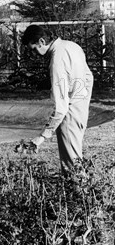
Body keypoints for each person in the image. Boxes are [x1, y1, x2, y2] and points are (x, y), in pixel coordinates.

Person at [21, 24, 93, 171]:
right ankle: (85, 192)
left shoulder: (57, 60)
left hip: (70, 114)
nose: (35, 54)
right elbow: (89, 77)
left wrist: (41, 138)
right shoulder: (73, 46)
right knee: (76, 160)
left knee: (71, 166)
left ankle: (81, 194)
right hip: (81, 109)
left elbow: (61, 108)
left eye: (34, 49)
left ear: (41, 41)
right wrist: (82, 104)